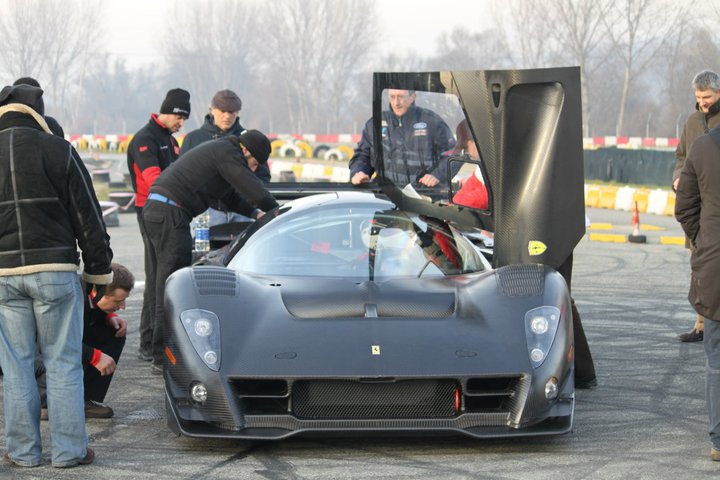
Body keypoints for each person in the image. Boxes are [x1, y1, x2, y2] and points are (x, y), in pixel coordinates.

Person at [0, 83, 113, 468]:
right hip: (55, 271)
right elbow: (89, 216)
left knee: (15, 366)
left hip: (3, 276)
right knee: (62, 364)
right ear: (37, 113)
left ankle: (23, 452)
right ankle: (69, 451)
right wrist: (99, 271)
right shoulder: (58, 149)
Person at [142, 129, 279, 373]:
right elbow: (251, 188)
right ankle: (162, 357)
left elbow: (230, 198)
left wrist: (256, 214)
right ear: (246, 150)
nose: (255, 169)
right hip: (170, 213)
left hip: (159, 210)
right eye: (255, 163)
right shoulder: (228, 152)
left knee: (158, 283)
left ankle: (153, 348)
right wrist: (275, 213)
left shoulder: (220, 153)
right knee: (172, 284)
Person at [127, 88, 190, 363]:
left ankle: (150, 339)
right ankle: (151, 343)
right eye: (180, 119)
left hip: (169, 209)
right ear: (171, 112)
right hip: (151, 212)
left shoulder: (169, 140)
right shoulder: (145, 140)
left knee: (157, 276)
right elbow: (155, 179)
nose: (181, 125)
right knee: (157, 277)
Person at [675, 124, 720, 462]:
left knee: (716, 362)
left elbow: (684, 208)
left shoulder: (702, 147)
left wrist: (704, 243)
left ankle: (718, 440)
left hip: (714, 268)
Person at [38, 263, 135, 420]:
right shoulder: (69, 297)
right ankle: (44, 402)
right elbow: (56, 340)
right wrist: (94, 356)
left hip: (56, 343)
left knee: (114, 333)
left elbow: (90, 312)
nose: (122, 306)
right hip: (37, 353)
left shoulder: (92, 292)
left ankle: (83, 398)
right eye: (118, 301)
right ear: (98, 292)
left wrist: (108, 315)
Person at [673, 70, 720, 343]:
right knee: (698, 264)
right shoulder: (691, 122)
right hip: (695, 209)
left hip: (713, 205)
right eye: (699, 97)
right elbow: (681, 156)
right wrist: (678, 177)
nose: (703, 102)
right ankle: (701, 323)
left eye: (708, 97)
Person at [179, 89, 271, 226]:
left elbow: (263, 175)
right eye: (223, 111)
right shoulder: (193, 139)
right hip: (206, 211)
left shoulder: (250, 140)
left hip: (244, 211)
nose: (227, 116)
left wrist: (249, 197)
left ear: (237, 113)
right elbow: (183, 177)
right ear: (212, 110)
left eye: (232, 112)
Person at [349, 89, 456, 187]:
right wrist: (359, 172)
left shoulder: (432, 122)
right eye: (392, 97)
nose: (396, 103)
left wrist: (437, 175)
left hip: (423, 196)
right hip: (384, 194)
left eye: (401, 97)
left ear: (412, 97)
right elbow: (363, 155)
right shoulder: (375, 123)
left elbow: (453, 154)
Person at [450, 119, 489, 210]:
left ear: (475, 140)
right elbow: (472, 185)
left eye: (465, 147)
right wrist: (450, 206)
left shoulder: (497, 165)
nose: (466, 152)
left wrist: (454, 206)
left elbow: (487, 196)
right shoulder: (483, 164)